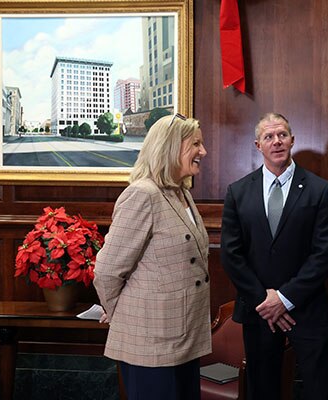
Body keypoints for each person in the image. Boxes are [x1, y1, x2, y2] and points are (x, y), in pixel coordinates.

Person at [221, 112, 328, 400]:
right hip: (258, 310)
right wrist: (265, 300)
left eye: (282, 135)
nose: (277, 141)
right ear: (257, 145)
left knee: (318, 389)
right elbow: (231, 254)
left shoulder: (319, 190)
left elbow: (325, 254)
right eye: (269, 137)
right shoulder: (238, 191)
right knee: (263, 389)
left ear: (292, 140)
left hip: (306, 309)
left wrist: (284, 299)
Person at [93, 113, 210, 400]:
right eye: (195, 144)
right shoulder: (142, 195)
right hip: (151, 341)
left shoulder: (181, 194)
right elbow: (107, 270)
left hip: (185, 335)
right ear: (170, 147)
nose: (203, 152)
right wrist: (118, 311)